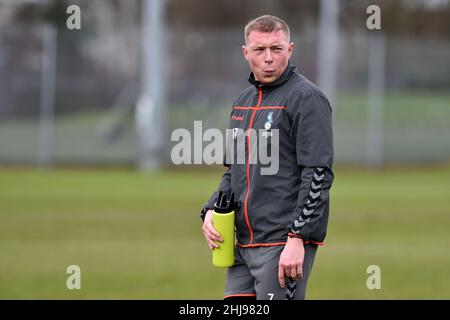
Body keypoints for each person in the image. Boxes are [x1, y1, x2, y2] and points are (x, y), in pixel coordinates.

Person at [200, 15, 334, 300]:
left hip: (281, 244)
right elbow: (234, 172)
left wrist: (298, 238)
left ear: (290, 49)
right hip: (241, 246)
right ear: (246, 53)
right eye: (260, 50)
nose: (269, 58)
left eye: (276, 48)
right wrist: (213, 207)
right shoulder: (242, 102)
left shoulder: (307, 98)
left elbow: (318, 175)